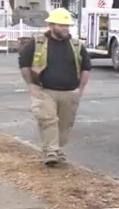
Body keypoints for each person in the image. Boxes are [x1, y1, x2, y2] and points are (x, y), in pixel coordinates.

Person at [17, 9, 92, 167]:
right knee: (48, 120)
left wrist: (80, 90)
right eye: (62, 25)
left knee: (64, 125)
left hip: (70, 92)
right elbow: (24, 63)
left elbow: (86, 68)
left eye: (67, 25)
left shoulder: (77, 45)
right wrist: (31, 84)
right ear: (51, 25)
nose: (66, 28)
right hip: (44, 91)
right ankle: (51, 151)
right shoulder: (37, 43)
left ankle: (58, 149)